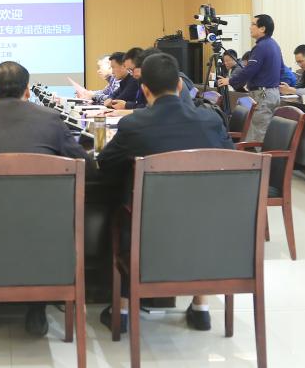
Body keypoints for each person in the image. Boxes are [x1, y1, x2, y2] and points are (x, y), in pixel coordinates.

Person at [0, 60, 89, 337]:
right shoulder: (50, 118)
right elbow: (82, 162)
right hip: (42, 226)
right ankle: (37, 307)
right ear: (27, 91)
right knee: (41, 223)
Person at [97, 53, 234, 334]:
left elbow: (106, 165)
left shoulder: (134, 125)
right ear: (180, 86)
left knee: (119, 207)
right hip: (210, 231)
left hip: (150, 232)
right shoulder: (210, 120)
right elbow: (232, 164)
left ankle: (123, 309)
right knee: (198, 211)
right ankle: (201, 306)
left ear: (145, 90)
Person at [217, 14, 282, 142]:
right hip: (273, 93)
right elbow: (282, 69)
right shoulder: (274, 45)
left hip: (263, 96)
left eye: (253, 24)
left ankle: (260, 155)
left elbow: (250, 70)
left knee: (258, 135)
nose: (250, 27)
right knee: (263, 132)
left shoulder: (261, 47)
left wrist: (230, 80)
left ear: (262, 28)